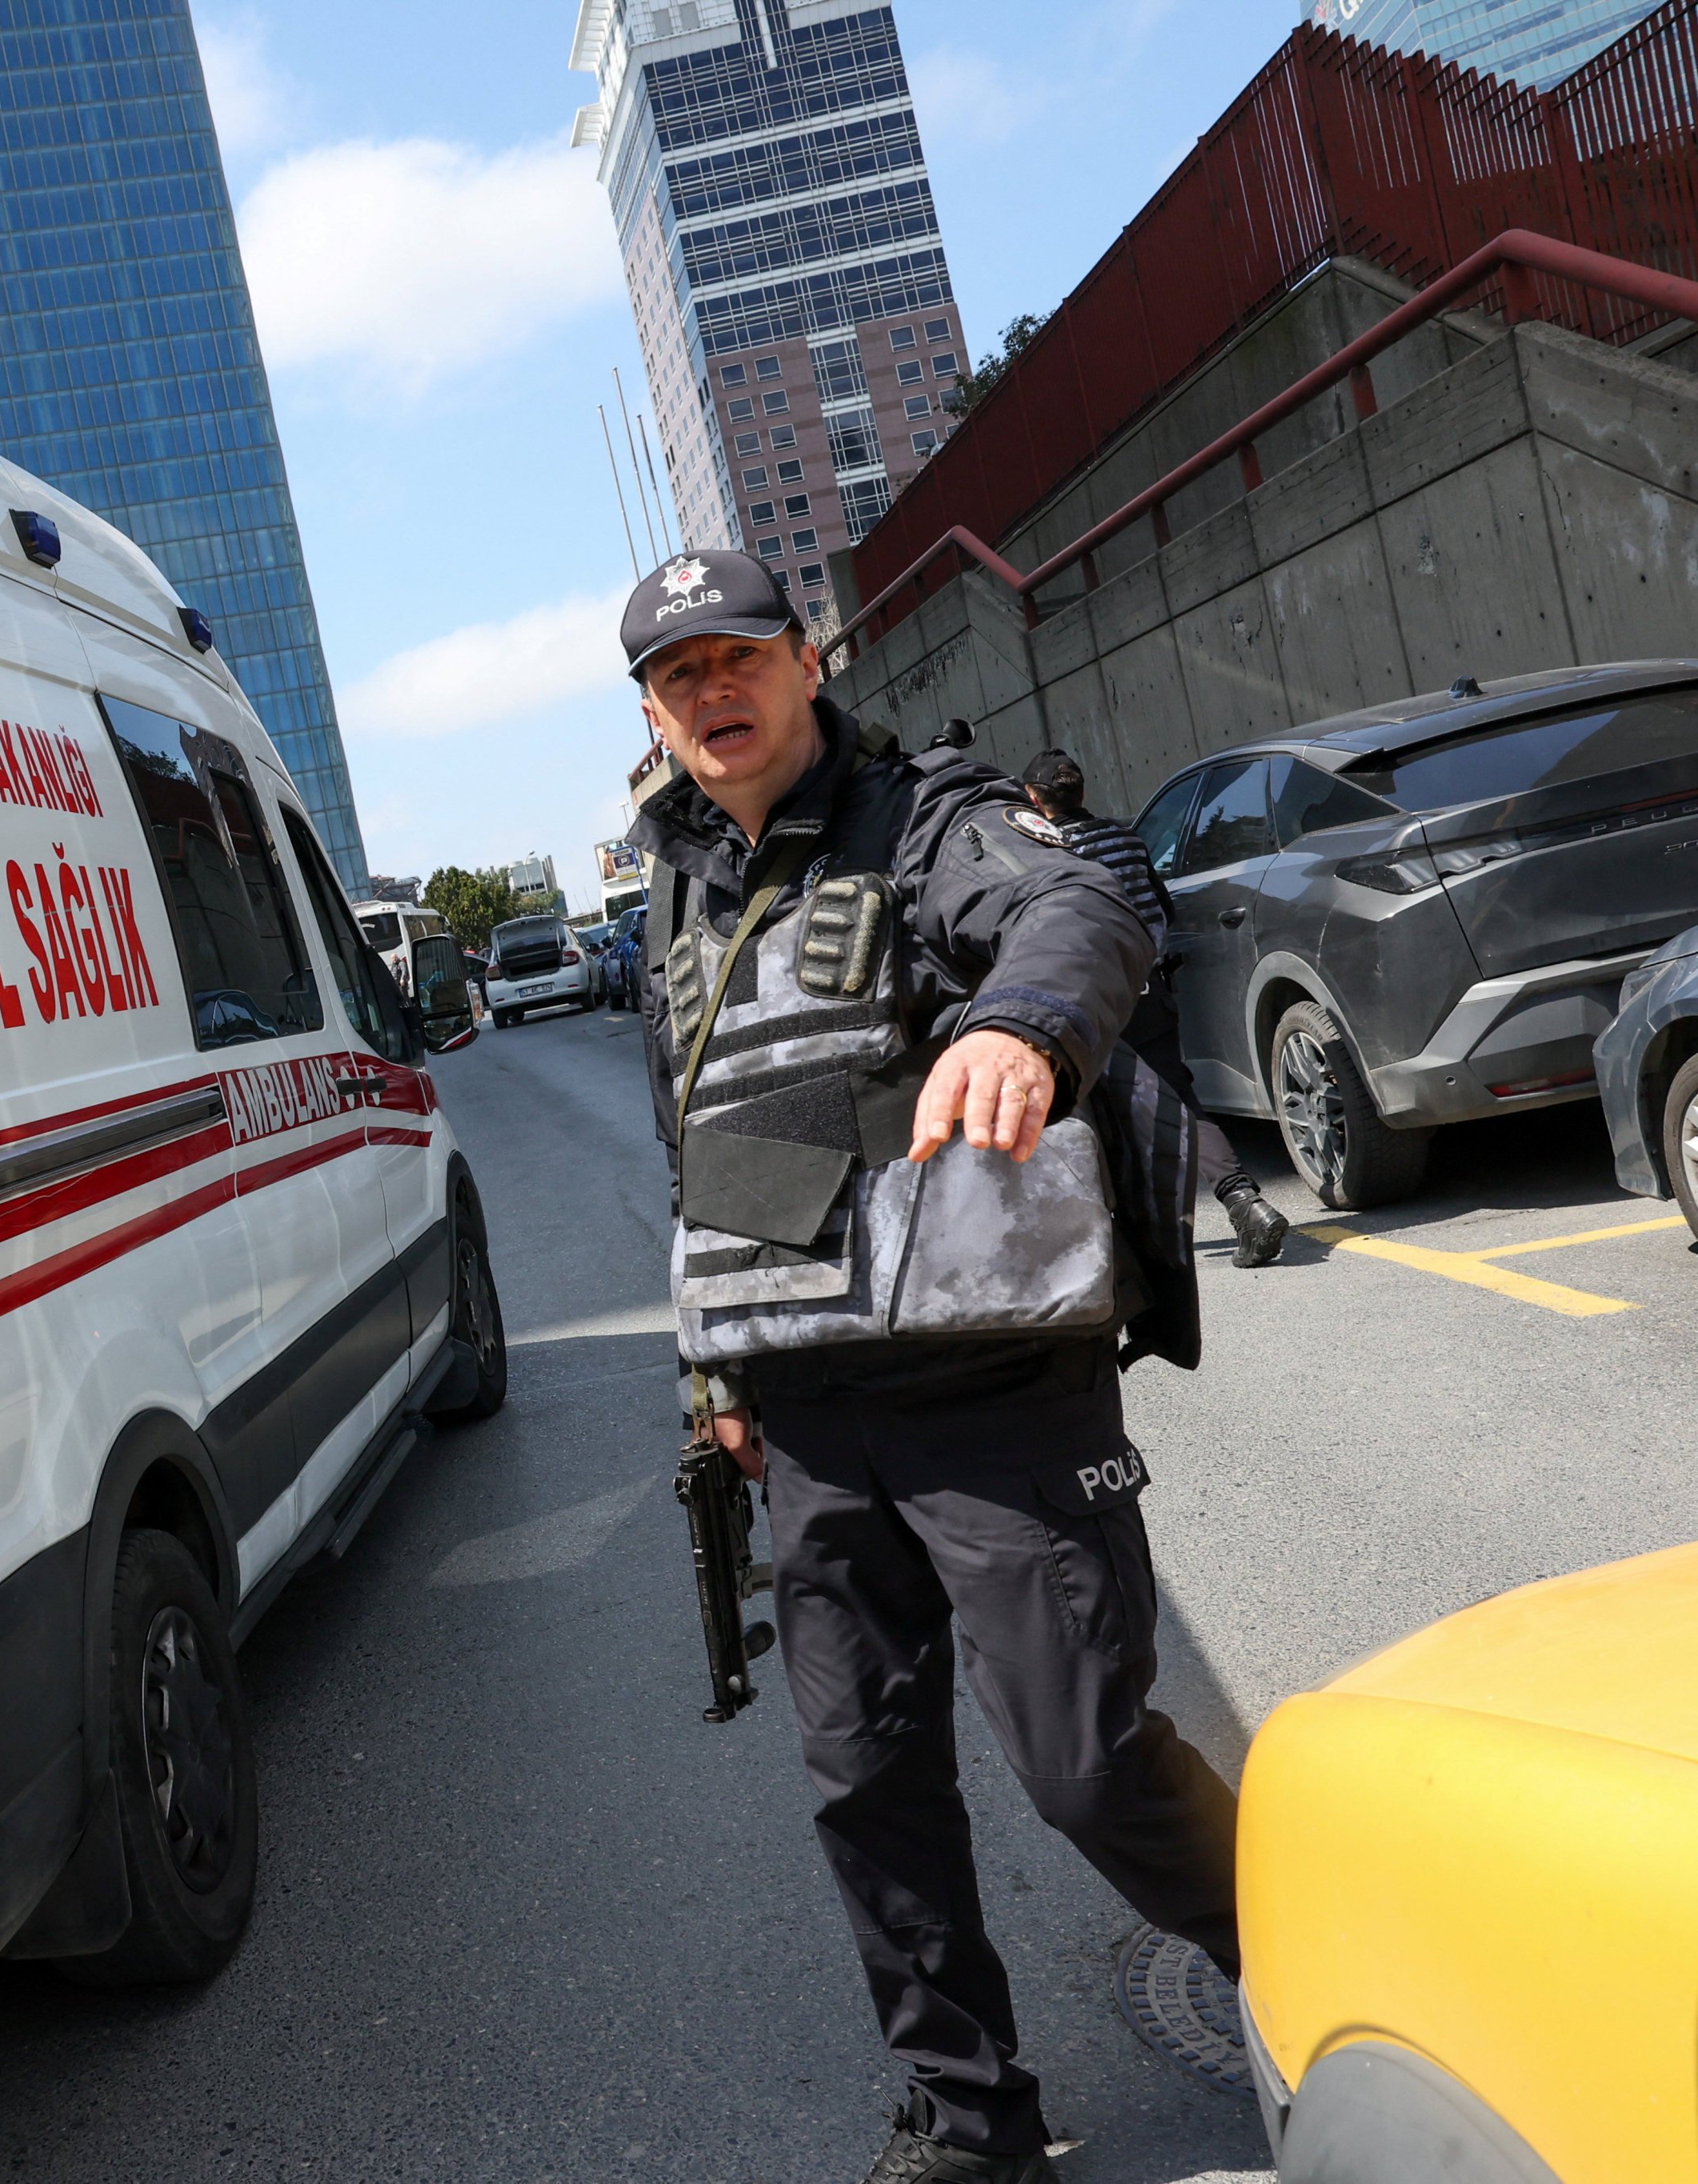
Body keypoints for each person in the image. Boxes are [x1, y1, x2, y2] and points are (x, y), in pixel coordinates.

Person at [623, 550, 1241, 2184]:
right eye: (677, 677)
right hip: (809, 1419)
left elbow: (1084, 904)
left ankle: (1332, 1977)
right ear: (652, 712)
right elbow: (698, 1154)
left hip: (989, 1398)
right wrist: (716, 1384)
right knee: (865, 1791)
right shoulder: (674, 890)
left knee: (1085, 1764)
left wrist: (1016, 1024)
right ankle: (972, 2126)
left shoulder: (928, 819)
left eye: (737, 655)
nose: (713, 693)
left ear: (803, 657)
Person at [1015, 750, 1291, 1269]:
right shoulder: (1125, 839)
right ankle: (1243, 1202)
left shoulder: (1041, 853)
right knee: (1180, 1101)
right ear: (1082, 794)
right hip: (1144, 992)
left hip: (1079, 1004)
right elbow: (1160, 911)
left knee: (1081, 1117)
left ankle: (1116, 1249)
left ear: (1032, 799)